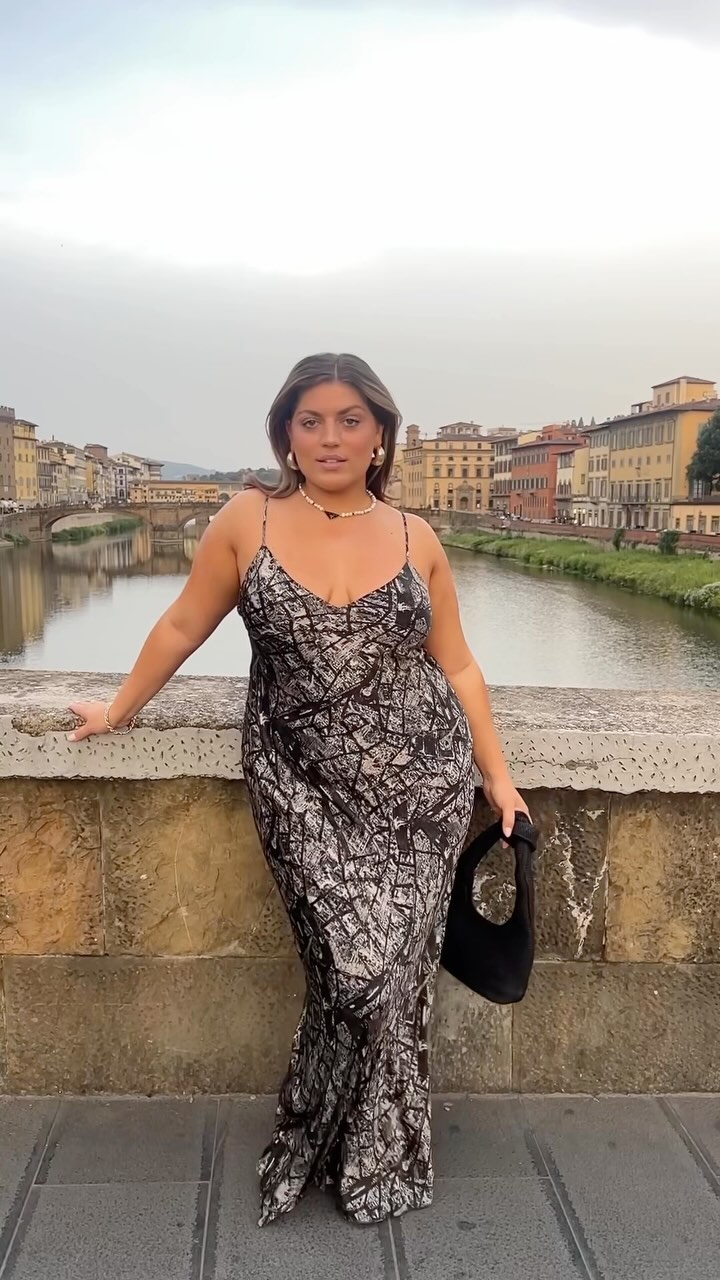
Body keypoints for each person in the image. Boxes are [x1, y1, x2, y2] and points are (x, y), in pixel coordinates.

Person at [68, 353, 529, 1228]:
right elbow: (183, 622)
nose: (330, 437)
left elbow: (459, 665)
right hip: (299, 785)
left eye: (350, 420)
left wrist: (497, 778)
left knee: (393, 978)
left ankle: (376, 1150)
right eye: (310, 420)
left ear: (380, 433)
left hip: (420, 785)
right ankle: (319, 1127)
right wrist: (119, 709)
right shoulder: (247, 518)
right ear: (285, 432)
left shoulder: (416, 537)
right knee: (352, 970)